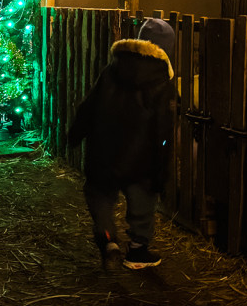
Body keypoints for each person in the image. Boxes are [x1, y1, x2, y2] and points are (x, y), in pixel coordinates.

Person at [68, 17, 176, 270]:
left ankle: (108, 240)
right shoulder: (162, 80)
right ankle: (138, 251)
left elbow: (89, 105)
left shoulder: (113, 69)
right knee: (142, 199)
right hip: (142, 156)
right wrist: (163, 167)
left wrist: (76, 134)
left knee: (100, 194)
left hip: (104, 149)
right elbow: (163, 127)